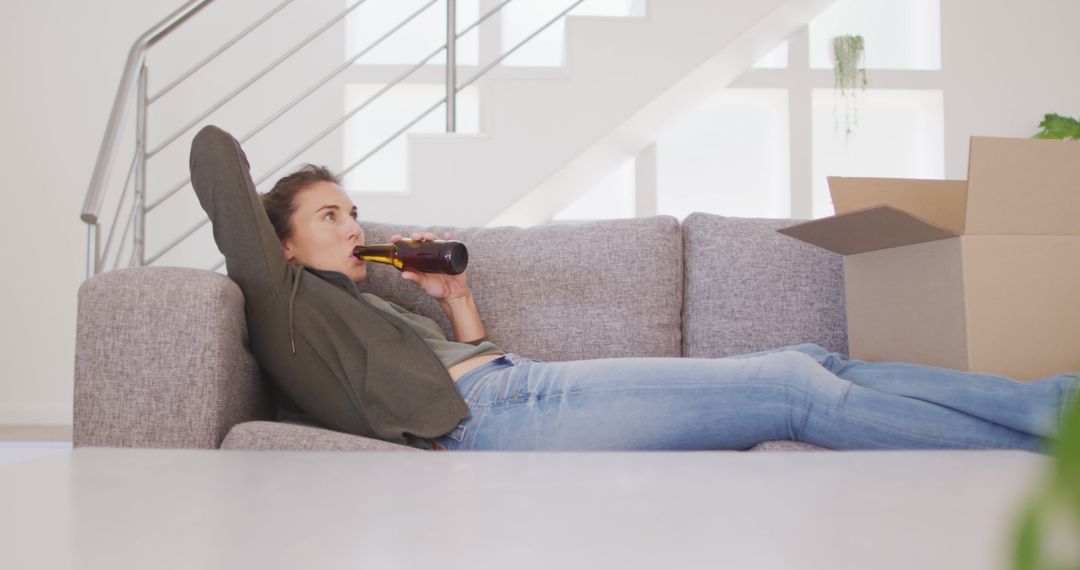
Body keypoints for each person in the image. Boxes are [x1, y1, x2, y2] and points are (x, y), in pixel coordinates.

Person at [190, 125, 1080, 453]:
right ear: (279, 244)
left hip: (515, 380)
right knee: (790, 390)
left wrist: (447, 296)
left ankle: (1055, 407)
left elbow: (467, 348)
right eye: (330, 216)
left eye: (354, 210)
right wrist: (279, 236)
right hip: (499, 418)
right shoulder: (280, 297)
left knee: (814, 357)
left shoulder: (363, 299)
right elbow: (211, 153)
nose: (355, 227)